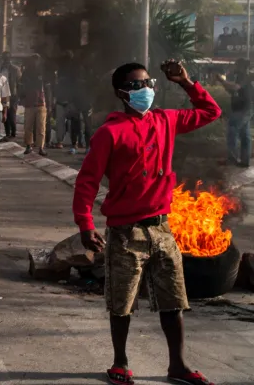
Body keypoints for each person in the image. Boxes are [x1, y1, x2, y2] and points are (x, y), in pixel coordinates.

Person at [73, 60, 220, 385]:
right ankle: (120, 362)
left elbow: (211, 112)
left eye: (149, 83)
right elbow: (87, 182)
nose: (146, 90)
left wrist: (185, 81)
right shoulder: (109, 133)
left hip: (162, 228)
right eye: (138, 85)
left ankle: (177, 366)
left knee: (173, 300)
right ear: (121, 92)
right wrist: (86, 225)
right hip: (126, 232)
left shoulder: (166, 120)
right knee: (122, 301)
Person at [218, 59, 253, 168]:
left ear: (241, 66)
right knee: (244, 135)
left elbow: (235, 87)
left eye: (236, 65)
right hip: (243, 108)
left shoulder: (243, 75)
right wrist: (223, 83)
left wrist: (222, 81)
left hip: (242, 109)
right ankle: (244, 161)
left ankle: (232, 159)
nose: (234, 67)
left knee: (232, 131)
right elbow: (233, 90)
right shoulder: (241, 76)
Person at [22, 54, 50, 157]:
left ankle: (41, 148)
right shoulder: (26, 73)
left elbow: (48, 89)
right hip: (29, 104)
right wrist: (23, 99)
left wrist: (50, 104)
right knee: (28, 126)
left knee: (41, 127)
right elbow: (22, 87)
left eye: (37, 60)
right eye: (33, 60)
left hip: (41, 103)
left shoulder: (43, 73)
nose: (35, 62)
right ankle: (28, 146)